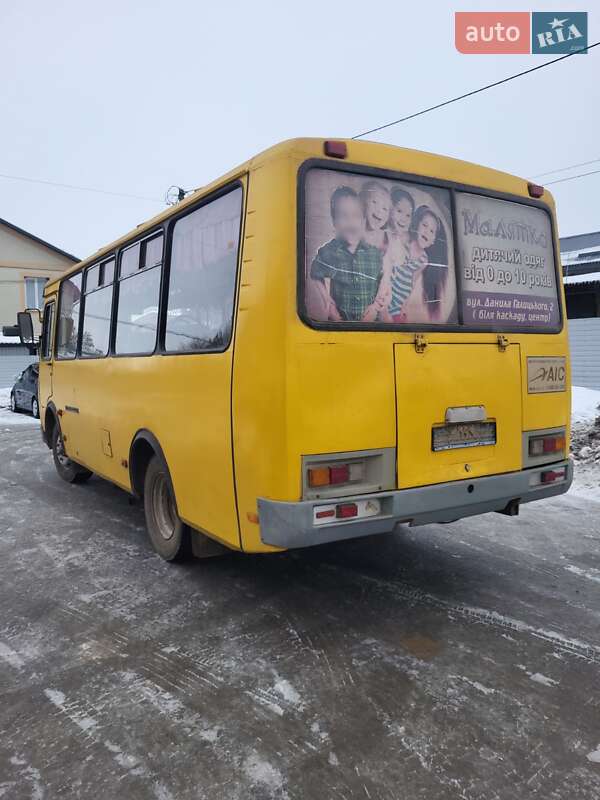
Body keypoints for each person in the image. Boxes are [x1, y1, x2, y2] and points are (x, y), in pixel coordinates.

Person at [310, 186, 385, 321]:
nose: (350, 221)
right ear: (334, 221)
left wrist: (375, 307)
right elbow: (315, 273)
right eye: (343, 216)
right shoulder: (328, 252)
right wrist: (328, 302)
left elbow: (383, 282)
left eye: (356, 216)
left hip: (370, 324)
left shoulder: (374, 254)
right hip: (341, 324)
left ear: (362, 221)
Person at [381, 205, 449, 323]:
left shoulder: (424, 260)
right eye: (424, 225)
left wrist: (405, 305)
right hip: (386, 296)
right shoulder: (405, 240)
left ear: (433, 241)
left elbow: (412, 283)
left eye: (432, 231)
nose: (427, 231)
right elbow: (389, 264)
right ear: (417, 225)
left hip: (399, 305)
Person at [359, 180, 391, 251]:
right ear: (363, 203)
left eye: (384, 208)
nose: (379, 211)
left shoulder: (387, 238)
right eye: (374, 202)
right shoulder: (354, 231)